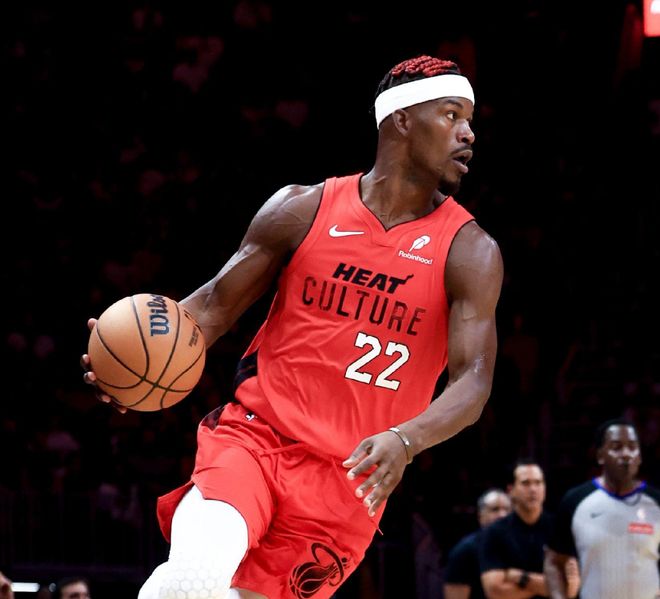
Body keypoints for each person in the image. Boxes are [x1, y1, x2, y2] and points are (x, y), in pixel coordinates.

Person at [81, 54, 502, 599]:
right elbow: (209, 308)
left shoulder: (469, 251)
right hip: (254, 440)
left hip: (348, 484)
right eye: (451, 115)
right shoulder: (302, 209)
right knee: (193, 578)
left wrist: (406, 439)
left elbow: (474, 380)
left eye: (468, 120)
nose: (467, 133)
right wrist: (134, 359)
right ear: (401, 119)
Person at [544, 418, 660, 599]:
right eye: (616, 447)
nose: (626, 454)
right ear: (600, 455)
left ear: (640, 457)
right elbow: (553, 560)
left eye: (632, 447)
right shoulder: (575, 501)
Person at [479, 460, 580, 598]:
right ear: (511, 490)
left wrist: (521, 577)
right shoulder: (494, 532)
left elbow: (570, 588)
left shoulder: (560, 527)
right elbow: (495, 592)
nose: (533, 489)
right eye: (526, 483)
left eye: (538, 483)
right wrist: (551, 586)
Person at [444, 488, 513, 599]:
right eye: (495, 509)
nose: (502, 515)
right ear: (480, 516)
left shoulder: (518, 546)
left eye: (507, 510)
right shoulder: (464, 551)